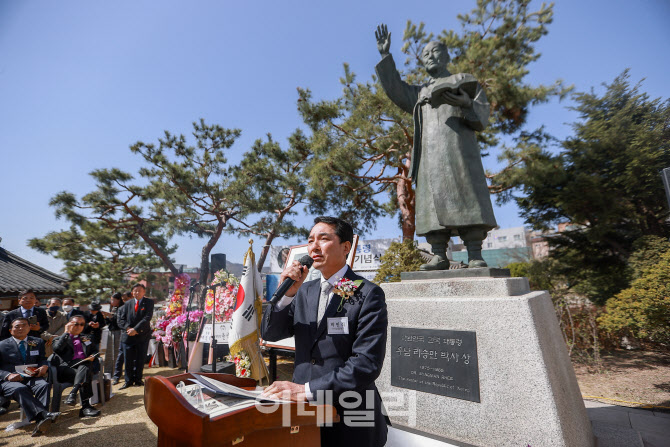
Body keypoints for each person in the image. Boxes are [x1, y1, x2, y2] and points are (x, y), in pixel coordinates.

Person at [374, 24, 497, 269]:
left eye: (434, 52)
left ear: (447, 55)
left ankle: (474, 253)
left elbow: (482, 116)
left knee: (467, 196)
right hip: (430, 159)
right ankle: (438, 254)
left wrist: (465, 103)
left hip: (460, 155)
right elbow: (395, 89)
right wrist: (386, 57)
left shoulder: (463, 81)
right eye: (425, 55)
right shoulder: (420, 93)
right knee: (430, 203)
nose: (429, 57)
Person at [261, 216, 388, 447]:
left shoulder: (368, 294)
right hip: (303, 416)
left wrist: (306, 389)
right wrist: (286, 293)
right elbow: (270, 334)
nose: (314, 246)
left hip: (350, 415)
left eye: (324, 238)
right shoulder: (303, 291)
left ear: (346, 247)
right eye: (310, 240)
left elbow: (366, 363)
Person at [0, 318, 60, 436]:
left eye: (24, 325)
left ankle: (40, 421)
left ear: (29, 328)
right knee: (20, 389)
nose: (21, 328)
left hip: (32, 377)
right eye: (17, 326)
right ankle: (44, 416)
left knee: (43, 385)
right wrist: (8, 375)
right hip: (9, 381)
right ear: (10, 330)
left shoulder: (37, 341)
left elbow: (42, 358)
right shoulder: (1, 345)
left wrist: (44, 366)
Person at [51, 315, 102, 418]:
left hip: (82, 369)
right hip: (66, 370)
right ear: (69, 324)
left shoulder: (86, 337)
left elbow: (95, 351)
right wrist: (66, 332)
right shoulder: (59, 339)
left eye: (82, 324)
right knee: (86, 369)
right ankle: (85, 407)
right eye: (76, 324)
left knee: (85, 366)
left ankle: (73, 393)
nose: (79, 326)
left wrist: (93, 356)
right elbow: (57, 349)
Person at [117, 283, 154, 389]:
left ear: (144, 292)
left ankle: (138, 379)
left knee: (140, 358)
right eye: (135, 291)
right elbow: (122, 318)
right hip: (128, 335)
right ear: (132, 292)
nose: (137, 293)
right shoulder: (127, 303)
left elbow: (147, 317)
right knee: (128, 359)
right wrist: (129, 329)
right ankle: (128, 380)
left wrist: (136, 329)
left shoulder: (149, 302)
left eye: (139, 290)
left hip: (142, 335)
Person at [103, 293, 124, 384]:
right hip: (111, 331)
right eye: (111, 300)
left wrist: (111, 316)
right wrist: (106, 317)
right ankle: (107, 372)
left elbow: (120, 320)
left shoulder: (122, 308)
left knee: (116, 352)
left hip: (119, 331)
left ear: (118, 300)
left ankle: (116, 372)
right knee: (109, 352)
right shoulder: (112, 308)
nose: (111, 302)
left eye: (113, 300)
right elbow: (109, 322)